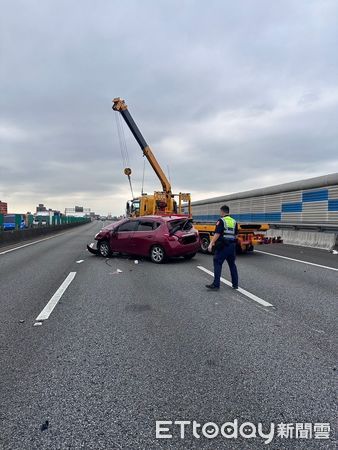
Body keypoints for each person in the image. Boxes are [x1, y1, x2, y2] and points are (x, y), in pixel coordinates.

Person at [205, 204, 239, 290]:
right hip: (232, 246)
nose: (220, 213)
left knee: (217, 262)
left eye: (220, 211)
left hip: (223, 246)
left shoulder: (221, 221)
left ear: (222, 211)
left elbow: (217, 233)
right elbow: (236, 235)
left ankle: (216, 285)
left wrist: (211, 243)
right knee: (232, 265)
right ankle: (235, 284)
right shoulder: (234, 221)